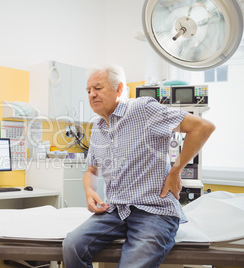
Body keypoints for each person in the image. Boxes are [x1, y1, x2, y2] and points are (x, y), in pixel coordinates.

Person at [62, 65, 215, 268]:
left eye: (98, 88)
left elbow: (202, 127)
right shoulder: (97, 128)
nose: (92, 94)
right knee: (72, 245)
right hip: (117, 210)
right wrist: (89, 190)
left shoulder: (142, 109)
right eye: (88, 90)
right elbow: (91, 170)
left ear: (119, 89)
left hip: (154, 211)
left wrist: (175, 171)